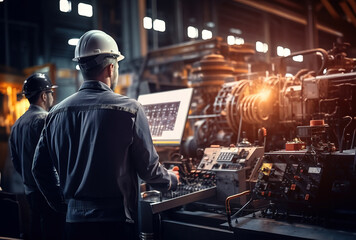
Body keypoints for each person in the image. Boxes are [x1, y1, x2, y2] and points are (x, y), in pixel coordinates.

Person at [32, 30, 178, 240]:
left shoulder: (55, 113)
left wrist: (62, 203)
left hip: (73, 224)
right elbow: (149, 171)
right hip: (116, 223)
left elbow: (39, 168)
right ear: (111, 67)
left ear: (82, 66)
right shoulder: (130, 109)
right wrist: (171, 179)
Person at [9, 73, 65, 240]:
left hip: (30, 192)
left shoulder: (17, 124)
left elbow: (16, 162)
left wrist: (28, 180)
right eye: (51, 93)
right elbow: (55, 159)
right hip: (48, 193)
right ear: (43, 95)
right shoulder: (45, 119)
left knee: (36, 232)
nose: (52, 97)